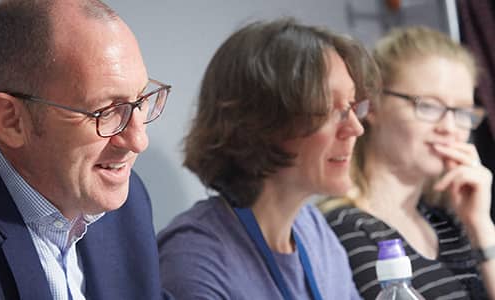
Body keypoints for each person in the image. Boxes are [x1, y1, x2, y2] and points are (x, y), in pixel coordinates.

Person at [0, 1, 172, 299]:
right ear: (11, 120)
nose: (137, 140)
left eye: (140, 100)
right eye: (106, 111)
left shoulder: (127, 203)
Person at [157, 18, 380, 299]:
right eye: (330, 108)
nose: (355, 128)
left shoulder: (315, 231)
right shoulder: (194, 259)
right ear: (261, 122)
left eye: (351, 106)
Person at [320, 26, 494, 299]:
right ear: (373, 105)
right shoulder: (344, 231)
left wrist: (482, 227)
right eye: (428, 105)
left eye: (461, 112)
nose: (449, 127)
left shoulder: (447, 221)